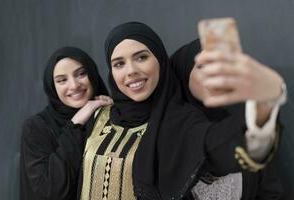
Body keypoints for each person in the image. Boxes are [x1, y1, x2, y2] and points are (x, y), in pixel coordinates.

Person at [78, 22, 282, 200]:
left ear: (160, 60)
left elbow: (220, 145)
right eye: (119, 63)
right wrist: (74, 125)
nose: (130, 70)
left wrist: (265, 101)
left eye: (141, 57)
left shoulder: (176, 118)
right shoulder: (100, 115)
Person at [170, 39, 285, 199]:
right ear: (184, 72)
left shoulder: (246, 124)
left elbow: (270, 193)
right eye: (203, 66)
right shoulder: (167, 136)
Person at [19, 47, 112, 200]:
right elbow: (50, 191)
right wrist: (75, 124)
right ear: (52, 86)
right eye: (62, 80)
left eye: (81, 74)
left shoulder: (111, 113)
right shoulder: (37, 127)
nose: (74, 85)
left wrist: (117, 113)